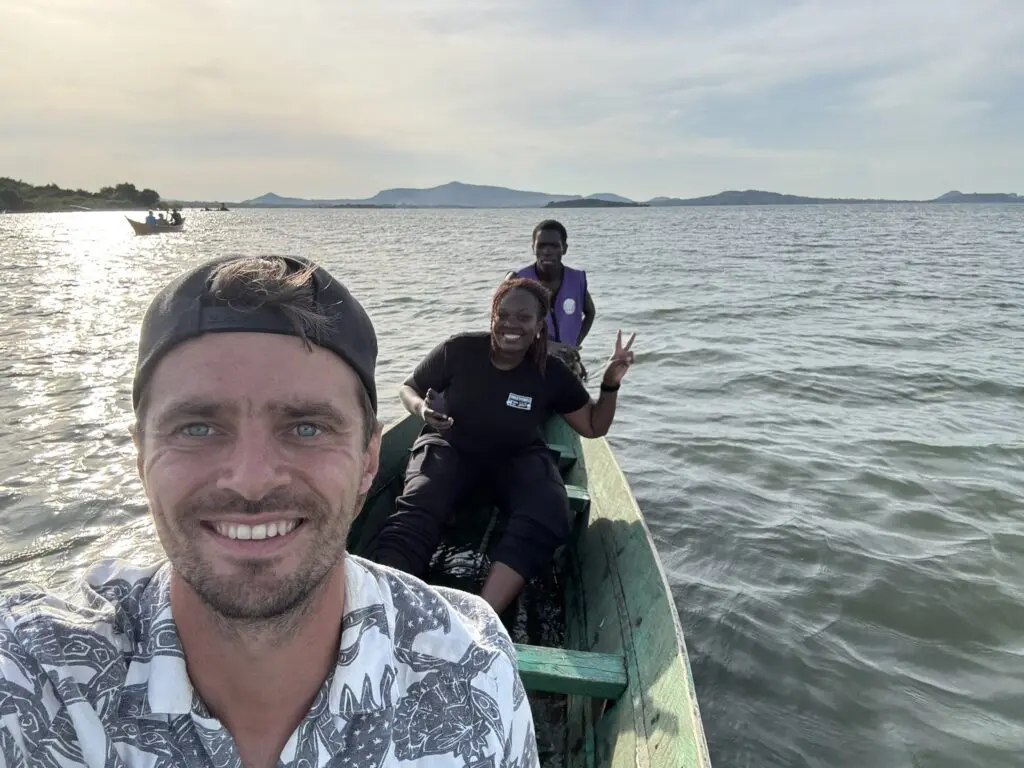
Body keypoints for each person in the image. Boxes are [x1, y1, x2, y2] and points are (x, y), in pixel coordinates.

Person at [0, 256, 539, 768]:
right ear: (142, 457)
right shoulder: (33, 676)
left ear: (370, 460)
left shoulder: (472, 669)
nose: (252, 481)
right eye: (197, 428)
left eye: (307, 427)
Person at [373, 278, 635, 614]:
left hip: (515, 455)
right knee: (420, 503)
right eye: (504, 314)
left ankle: (482, 615)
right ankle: (386, 604)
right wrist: (422, 410)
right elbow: (408, 388)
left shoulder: (550, 372)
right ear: (493, 316)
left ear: (539, 327)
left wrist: (610, 384)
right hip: (450, 446)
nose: (511, 324)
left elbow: (594, 425)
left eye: (524, 318)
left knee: (549, 507)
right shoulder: (459, 350)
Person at [508, 220, 596, 378]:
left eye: (554, 246)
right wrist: (545, 346)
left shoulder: (576, 280)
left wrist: (573, 345)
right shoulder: (518, 280)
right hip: (528, 365)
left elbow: (590, 313)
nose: (547, 252)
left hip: (567, 367)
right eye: (541, 246)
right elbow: (503, 328)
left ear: (564, 249)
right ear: (533, 248)